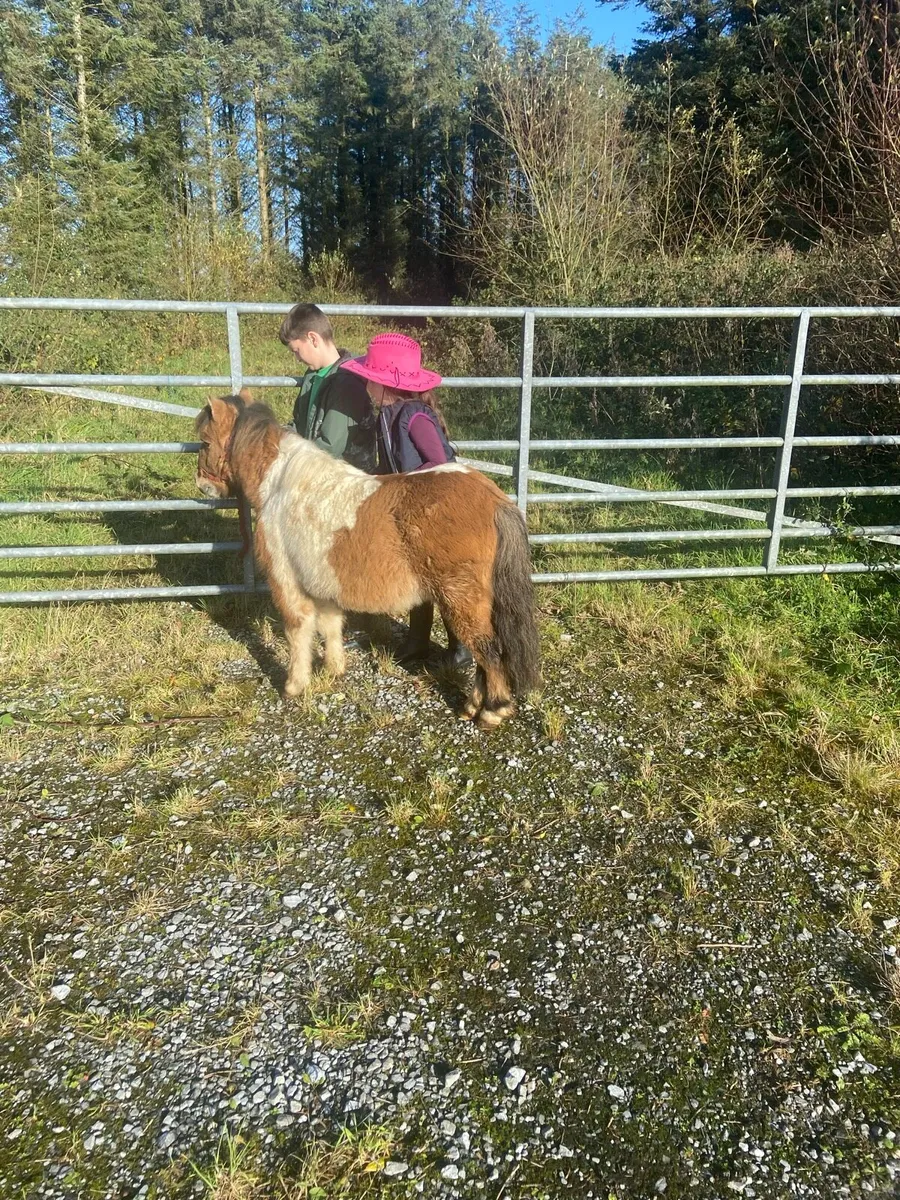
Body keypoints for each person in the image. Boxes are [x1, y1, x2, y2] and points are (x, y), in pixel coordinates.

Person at [341, 332, 472, 668]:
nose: (367, 385)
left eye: (370, 378)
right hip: (413, 509)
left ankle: (461, 648)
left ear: (384, 383)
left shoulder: (414, 415)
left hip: (436, 508)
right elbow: (392, 463)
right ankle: (417, 644)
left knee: (441, 578)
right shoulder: (388, 415)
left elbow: (439, 463)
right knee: (417, 575)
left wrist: (399, 484)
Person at [278, 302, 375, 471]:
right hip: (318, 469)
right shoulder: (312, 377)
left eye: (296, 351)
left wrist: (288, 462)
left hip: (344, 477)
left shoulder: (347, 384)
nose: (297, 359)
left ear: (313, 339)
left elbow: (330, 447)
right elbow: (299, 425)